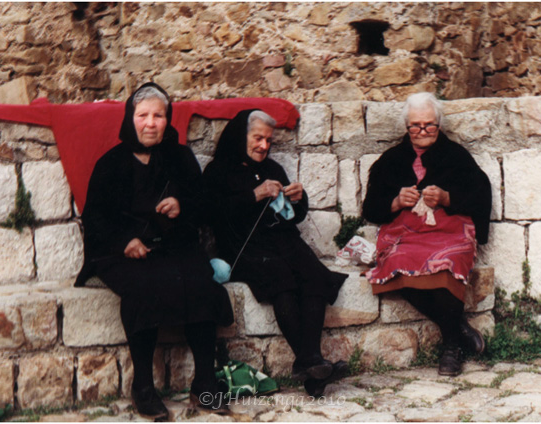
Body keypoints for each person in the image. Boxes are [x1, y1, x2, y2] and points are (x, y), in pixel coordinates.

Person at [75, 83, 234, 418]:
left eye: (158, 116)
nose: (150, 123)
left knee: (201, 283)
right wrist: (125, 242)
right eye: (143, 115)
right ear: (130, 119)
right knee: (144, 288)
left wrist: (181, 205)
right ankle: (144, 388)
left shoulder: (180, 157)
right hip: (120, 251)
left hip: (174, 245)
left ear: (167, 119)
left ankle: (204, 384)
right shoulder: (111, 163)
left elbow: (204, 204)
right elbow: (95, 218)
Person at [203, 109, 349, 397]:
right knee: (280, 277)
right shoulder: (217, 171)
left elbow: (293, 217)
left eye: (269, 140)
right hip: (243, 245)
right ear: (240, 136)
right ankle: (312, 363)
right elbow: (210, 213)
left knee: (314, 276)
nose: (264, 146)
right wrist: (254, 195)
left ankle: (310, 365)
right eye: (258, 138)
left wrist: (298, 199)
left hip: (283, 241)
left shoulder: (272, 169)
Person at [362, 92, 492, 376]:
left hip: (450, 230)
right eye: (415, 126)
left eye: (429, 125)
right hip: (406, 234)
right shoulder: (392, 160)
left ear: (439, 125)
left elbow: (480, 196)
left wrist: (447, 197)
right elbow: (371, 208)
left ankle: (450, 349)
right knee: (398, 261)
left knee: (447, 261)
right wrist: (397, 202)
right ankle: (456, 335)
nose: (422, 131)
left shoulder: (457, 156)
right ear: (407, 127)